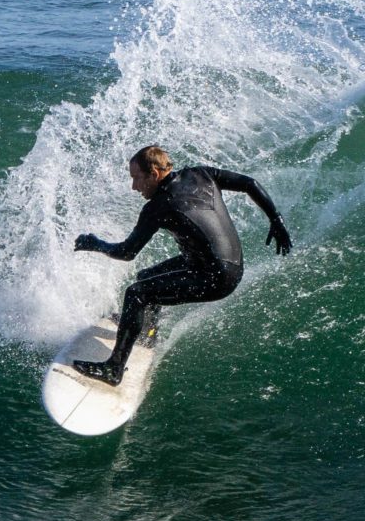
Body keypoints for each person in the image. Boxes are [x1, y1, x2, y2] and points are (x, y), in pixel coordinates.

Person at [65, 144, 291, 384]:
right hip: (228, 264)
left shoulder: (158, 206)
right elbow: (249, 184)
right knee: (145, 278)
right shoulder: (200, 173)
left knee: (136, 294)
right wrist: (276, 219)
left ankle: (114, 369)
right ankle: (147, 334)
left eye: (137, 179)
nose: (134, 187)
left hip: (215, 278)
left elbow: (126, 252)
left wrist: (96, 243)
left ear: (154, 173)